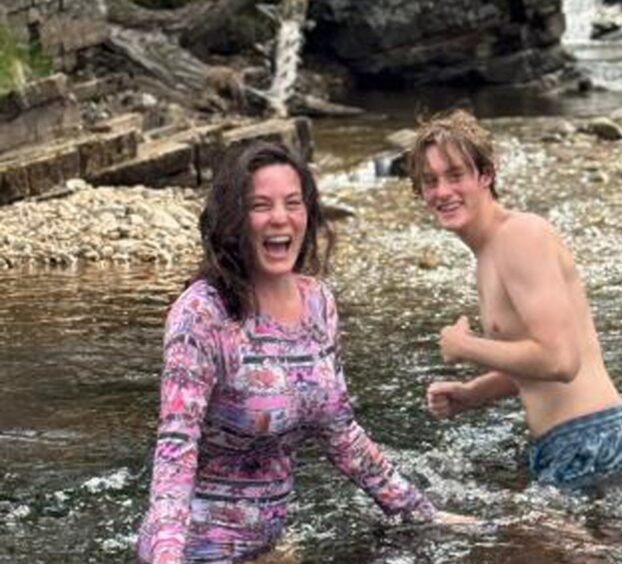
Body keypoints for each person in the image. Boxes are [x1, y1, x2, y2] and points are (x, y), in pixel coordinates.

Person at [137, 141, 449, 563]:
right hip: (196, 551)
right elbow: (176, 449)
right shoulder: (202, 314)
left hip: (270, 549)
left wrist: (424, 514)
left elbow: (342, 435)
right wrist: (166, 558)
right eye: (260, 205)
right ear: (233, 220)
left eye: (293, 203)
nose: (280, 218)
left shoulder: (318, 303)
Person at [408, 110, 622, 490]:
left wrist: (466, 346)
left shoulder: (521, 237)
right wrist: (472, 394)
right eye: (430, 181)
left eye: (455, 175)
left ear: (485, 175)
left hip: (590, 442)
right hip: (568, 443)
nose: (442, 191)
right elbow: (534, 363)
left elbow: (560, 361)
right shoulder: (489, 254)